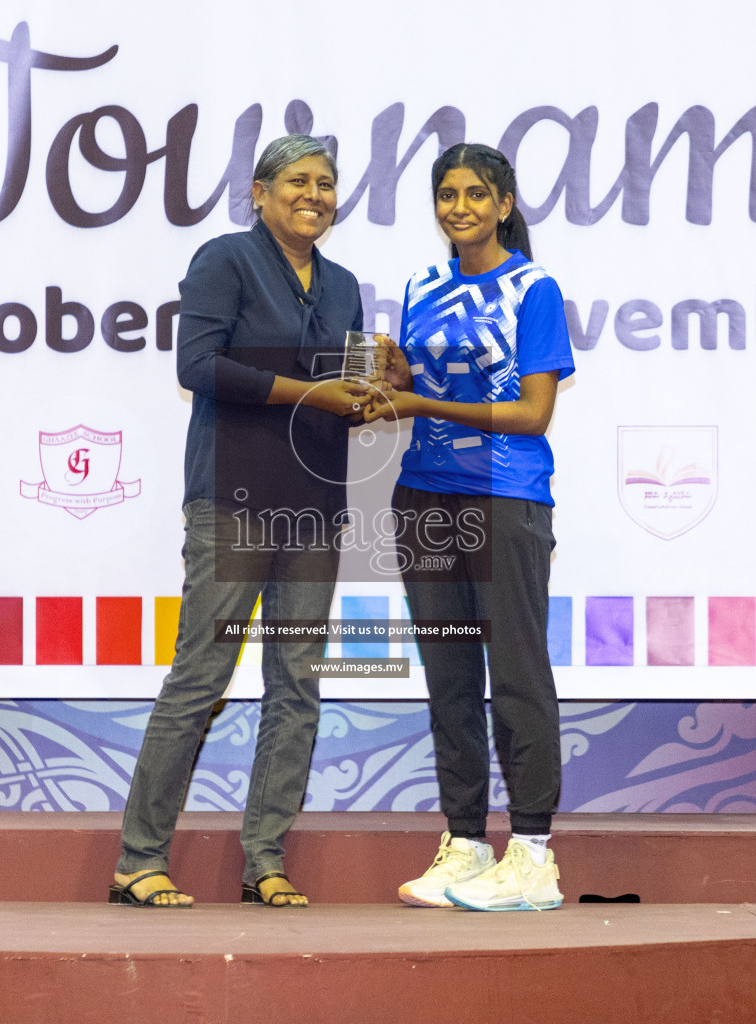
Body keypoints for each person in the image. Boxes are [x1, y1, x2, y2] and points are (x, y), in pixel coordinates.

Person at [112, 135, 368, 908]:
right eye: (298, 180)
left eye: (326, 182)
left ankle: (265, 859)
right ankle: (138, 859)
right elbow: (197, 367)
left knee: (298, 686)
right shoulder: (224, 259)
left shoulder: (347, 284)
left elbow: (347, 400)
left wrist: (379, 386)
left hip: (315, 509)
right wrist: (311, 392)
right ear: (259, 192)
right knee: (202, 677)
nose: (314, 194)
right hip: (233, 503)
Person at [364, 143, 574, 911]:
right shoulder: (422, 284)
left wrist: (422, 404)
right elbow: (418, 386)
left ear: (505, 204)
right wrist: (398, 381)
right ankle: (462, 842)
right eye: (446, 195)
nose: (459, 208)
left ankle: (533, 854)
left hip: (506, 499)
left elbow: (532, 413)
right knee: (449, 677)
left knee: (517, 674)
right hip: (422, 496)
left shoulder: (534, 288)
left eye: (475, 195)